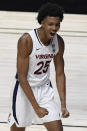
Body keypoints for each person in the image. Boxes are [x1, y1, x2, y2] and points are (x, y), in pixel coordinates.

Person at [8, 2, 69, 131]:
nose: (54, 28)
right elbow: (22, 77)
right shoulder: (27, 40)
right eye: (50, 24)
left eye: (57, 24)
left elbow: (60, 73)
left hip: (44, 89)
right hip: (24, 89)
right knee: (18, 129)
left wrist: (63, 105)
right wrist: (36, 108)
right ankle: (13, 114)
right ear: (42, 23)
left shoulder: (58, 42)